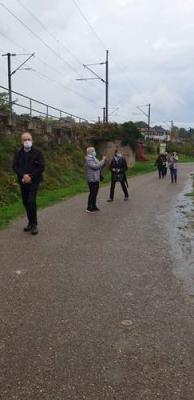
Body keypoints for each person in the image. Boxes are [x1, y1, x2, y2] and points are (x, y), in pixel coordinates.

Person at [12, 132, 45, 234]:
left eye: (29, 139)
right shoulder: (18, 153)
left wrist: (30, 176)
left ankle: (34, 224)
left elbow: (41, 166)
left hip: (34, 181)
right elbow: (15, 166)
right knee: (25, 202)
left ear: (32, 140)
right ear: (21, 142)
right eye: (25, 140)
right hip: (23, 181)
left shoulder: (37, 153)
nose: (27, 141)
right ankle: (30, 222)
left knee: (31, 201)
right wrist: (23, 175)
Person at [85, 147, 106, 212]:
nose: (94, 152)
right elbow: (95, 166)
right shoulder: (88, 159)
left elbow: (99, 165)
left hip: (96, 178)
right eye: (93, 151)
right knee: (92, 193)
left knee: (95, 193)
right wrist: (103, 160)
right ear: (90, 152)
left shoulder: (94, 158)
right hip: (92, 179)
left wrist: (102, 162)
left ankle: (94, 206)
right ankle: (89, 207)